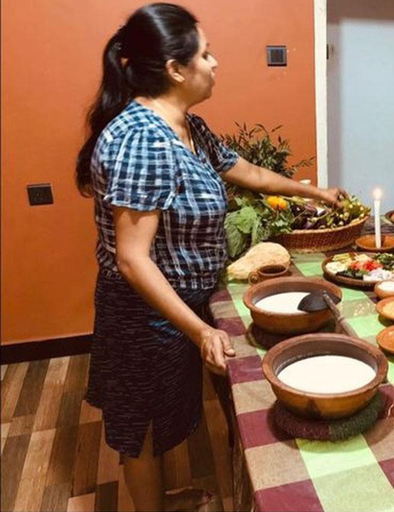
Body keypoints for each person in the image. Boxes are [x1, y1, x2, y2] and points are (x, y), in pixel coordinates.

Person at [74, 4, 343, 510]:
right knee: (144, 432)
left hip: (182, 301)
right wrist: (199, 331)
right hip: (144, 313)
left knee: (165, 415)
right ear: (176, 69)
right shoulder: (142, 140)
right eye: (206, 53)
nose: (215, 63)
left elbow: (246, 171)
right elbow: (133, 260)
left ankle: (163, 496)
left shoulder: (188, 127)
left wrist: (316, 193)